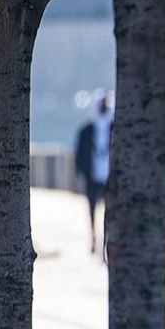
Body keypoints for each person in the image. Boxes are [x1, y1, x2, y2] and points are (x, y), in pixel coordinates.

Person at [74, 92, 113, 254]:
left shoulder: (113, 126)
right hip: (92, 175)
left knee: (109, 210)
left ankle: (106, 240)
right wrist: (81, 172)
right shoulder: (87, 129)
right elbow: (80, 152)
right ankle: (94, 238)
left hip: (110, 175)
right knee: (92, 208)